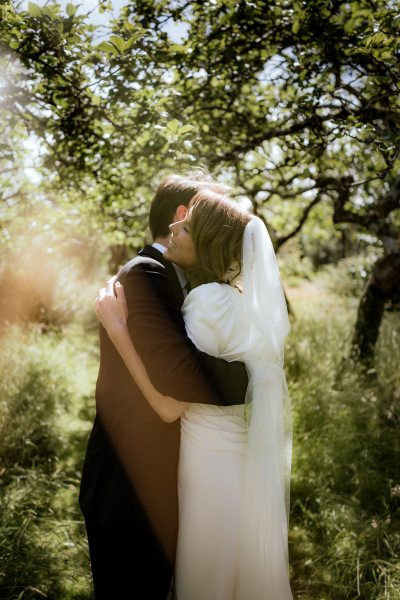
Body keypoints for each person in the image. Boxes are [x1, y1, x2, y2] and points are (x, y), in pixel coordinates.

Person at [96, 190, 294, 599]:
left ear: (204, 241)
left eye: (184, 227)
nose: (173, 228)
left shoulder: (204, 301)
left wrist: (118, 332)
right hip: (245, 461)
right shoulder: (249, 303)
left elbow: (169, 406)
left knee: (207, 580)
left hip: (207, 463)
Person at [79, 175, 249, 599]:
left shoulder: (181, 281)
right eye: (203, 218)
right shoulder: (146, 274)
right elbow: (177, 374)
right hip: (128, 493)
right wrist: (255, 378)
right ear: (182, 216)